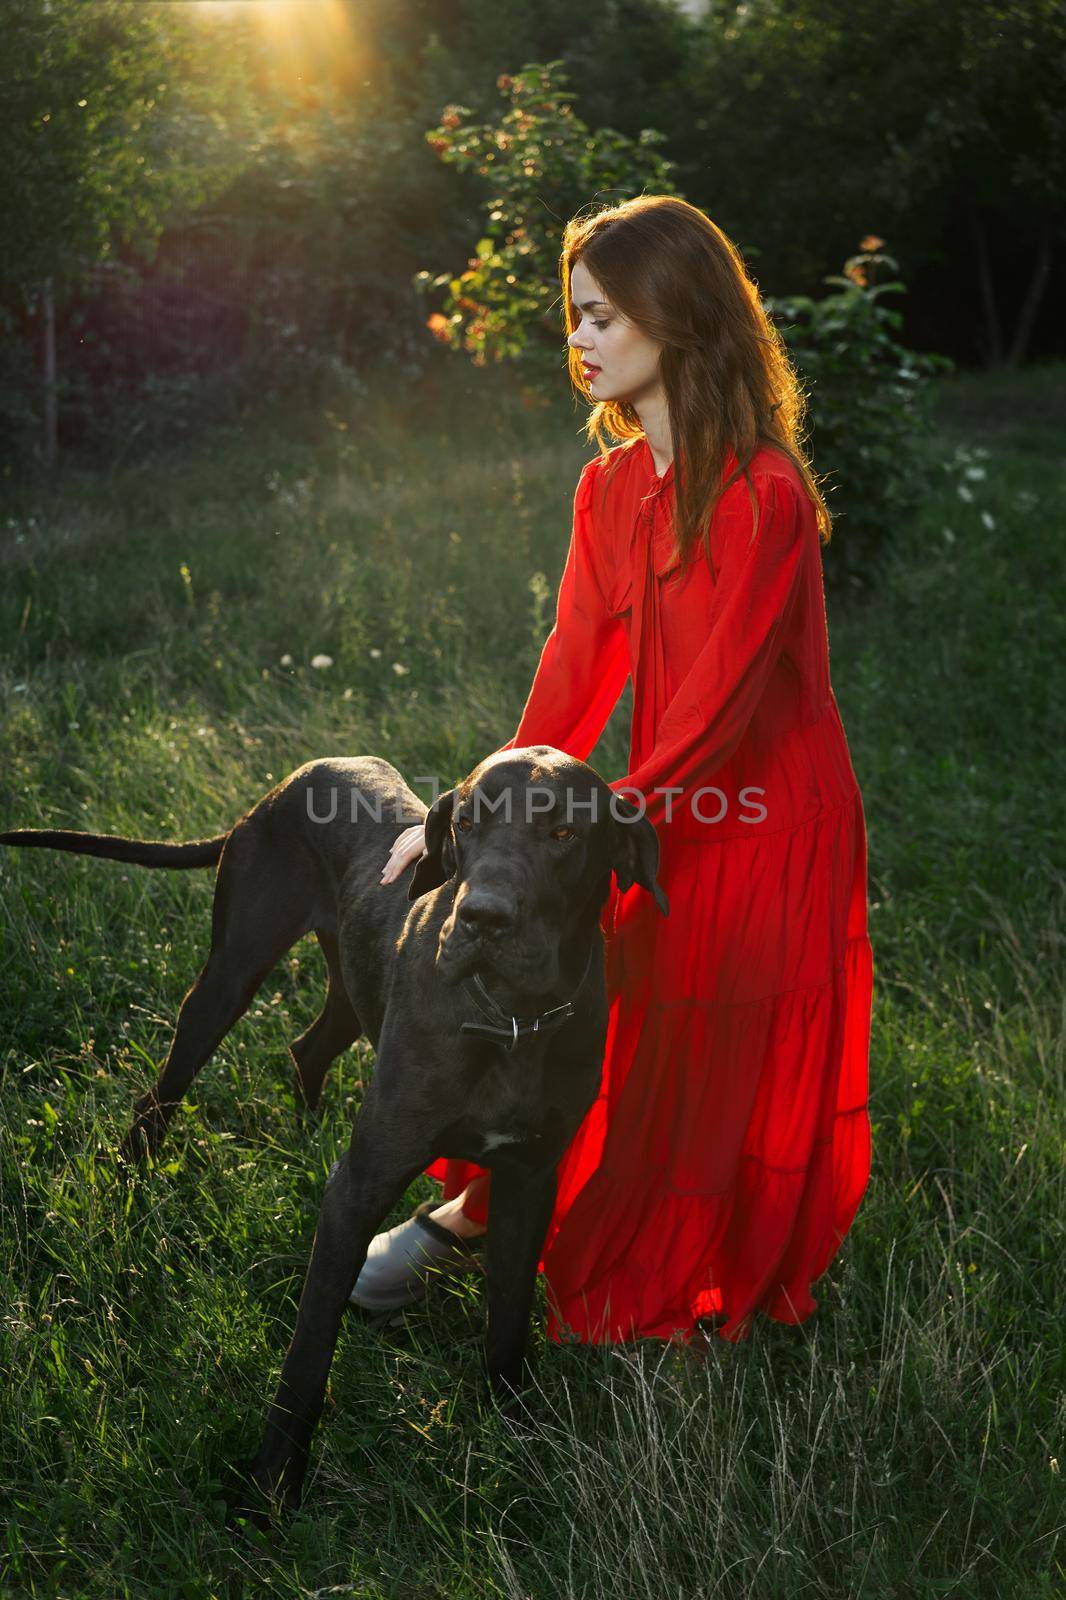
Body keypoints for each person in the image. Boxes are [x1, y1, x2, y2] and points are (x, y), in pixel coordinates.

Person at [351, 195, 873, 1347]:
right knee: (597, 1021)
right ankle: (479, 1208)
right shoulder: (608, 487)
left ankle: (684, 1265)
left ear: (674, 314)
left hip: (764, 813)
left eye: (600, 314)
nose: (578, 339)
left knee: (702, 1060)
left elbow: (716, 710)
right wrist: (486, 818)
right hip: (652, 803)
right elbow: (576, 665)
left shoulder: (763, 497)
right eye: (572, 315)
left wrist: (594, 828)